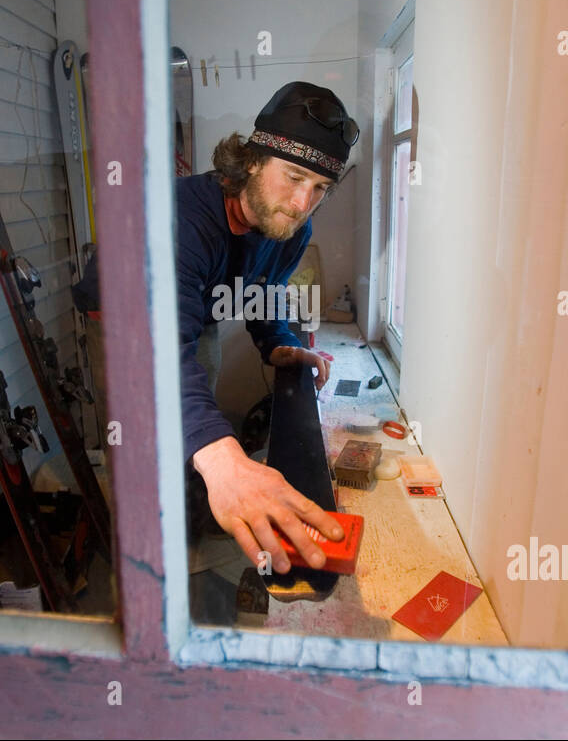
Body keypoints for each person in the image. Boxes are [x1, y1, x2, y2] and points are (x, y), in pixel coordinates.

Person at [73, 81, 359, 575]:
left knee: (198, 424)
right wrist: (221, 458)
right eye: (292, 177)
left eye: (319, 188)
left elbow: (264, 288)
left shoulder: (292, 227)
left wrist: (278, 343)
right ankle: (146, 557)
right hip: (126, 329)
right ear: (250, 161)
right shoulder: (178, 219)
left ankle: (196, 515)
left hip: (191, 318)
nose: (300, 202)